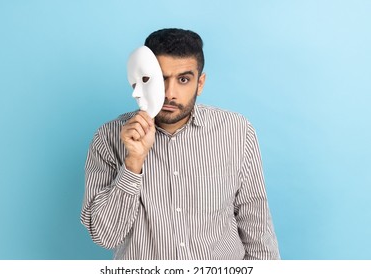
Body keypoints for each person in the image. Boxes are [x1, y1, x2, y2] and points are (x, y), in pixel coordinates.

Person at [81, 28, 280, 260]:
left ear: (200, 83)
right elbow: (105, 237)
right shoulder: (107, 138)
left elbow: (256, 225)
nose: (170, 93)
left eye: (183, 79)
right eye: (160, 79)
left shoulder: (237, 131)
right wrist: (133, 163)